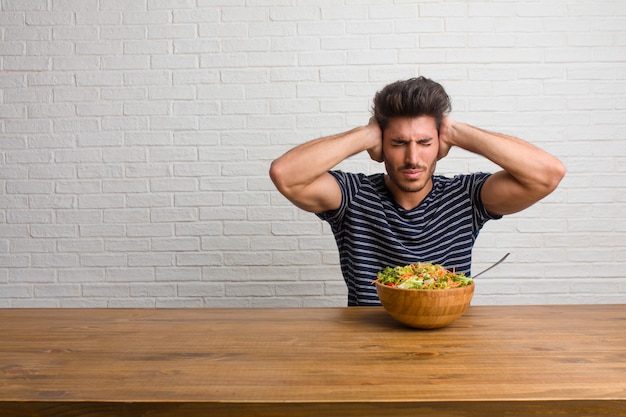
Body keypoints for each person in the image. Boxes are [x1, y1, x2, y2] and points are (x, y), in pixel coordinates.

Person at [269, 77, 566, 306]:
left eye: (425, 143)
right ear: (382, 147)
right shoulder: (353, 196)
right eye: (398, 143)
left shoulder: (466, 197)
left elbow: (547, 174)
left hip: (446, 346)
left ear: (440, 144)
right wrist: (366, 133)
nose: (413, 159)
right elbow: (286, 174)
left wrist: (456, 132)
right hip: (364, 348)